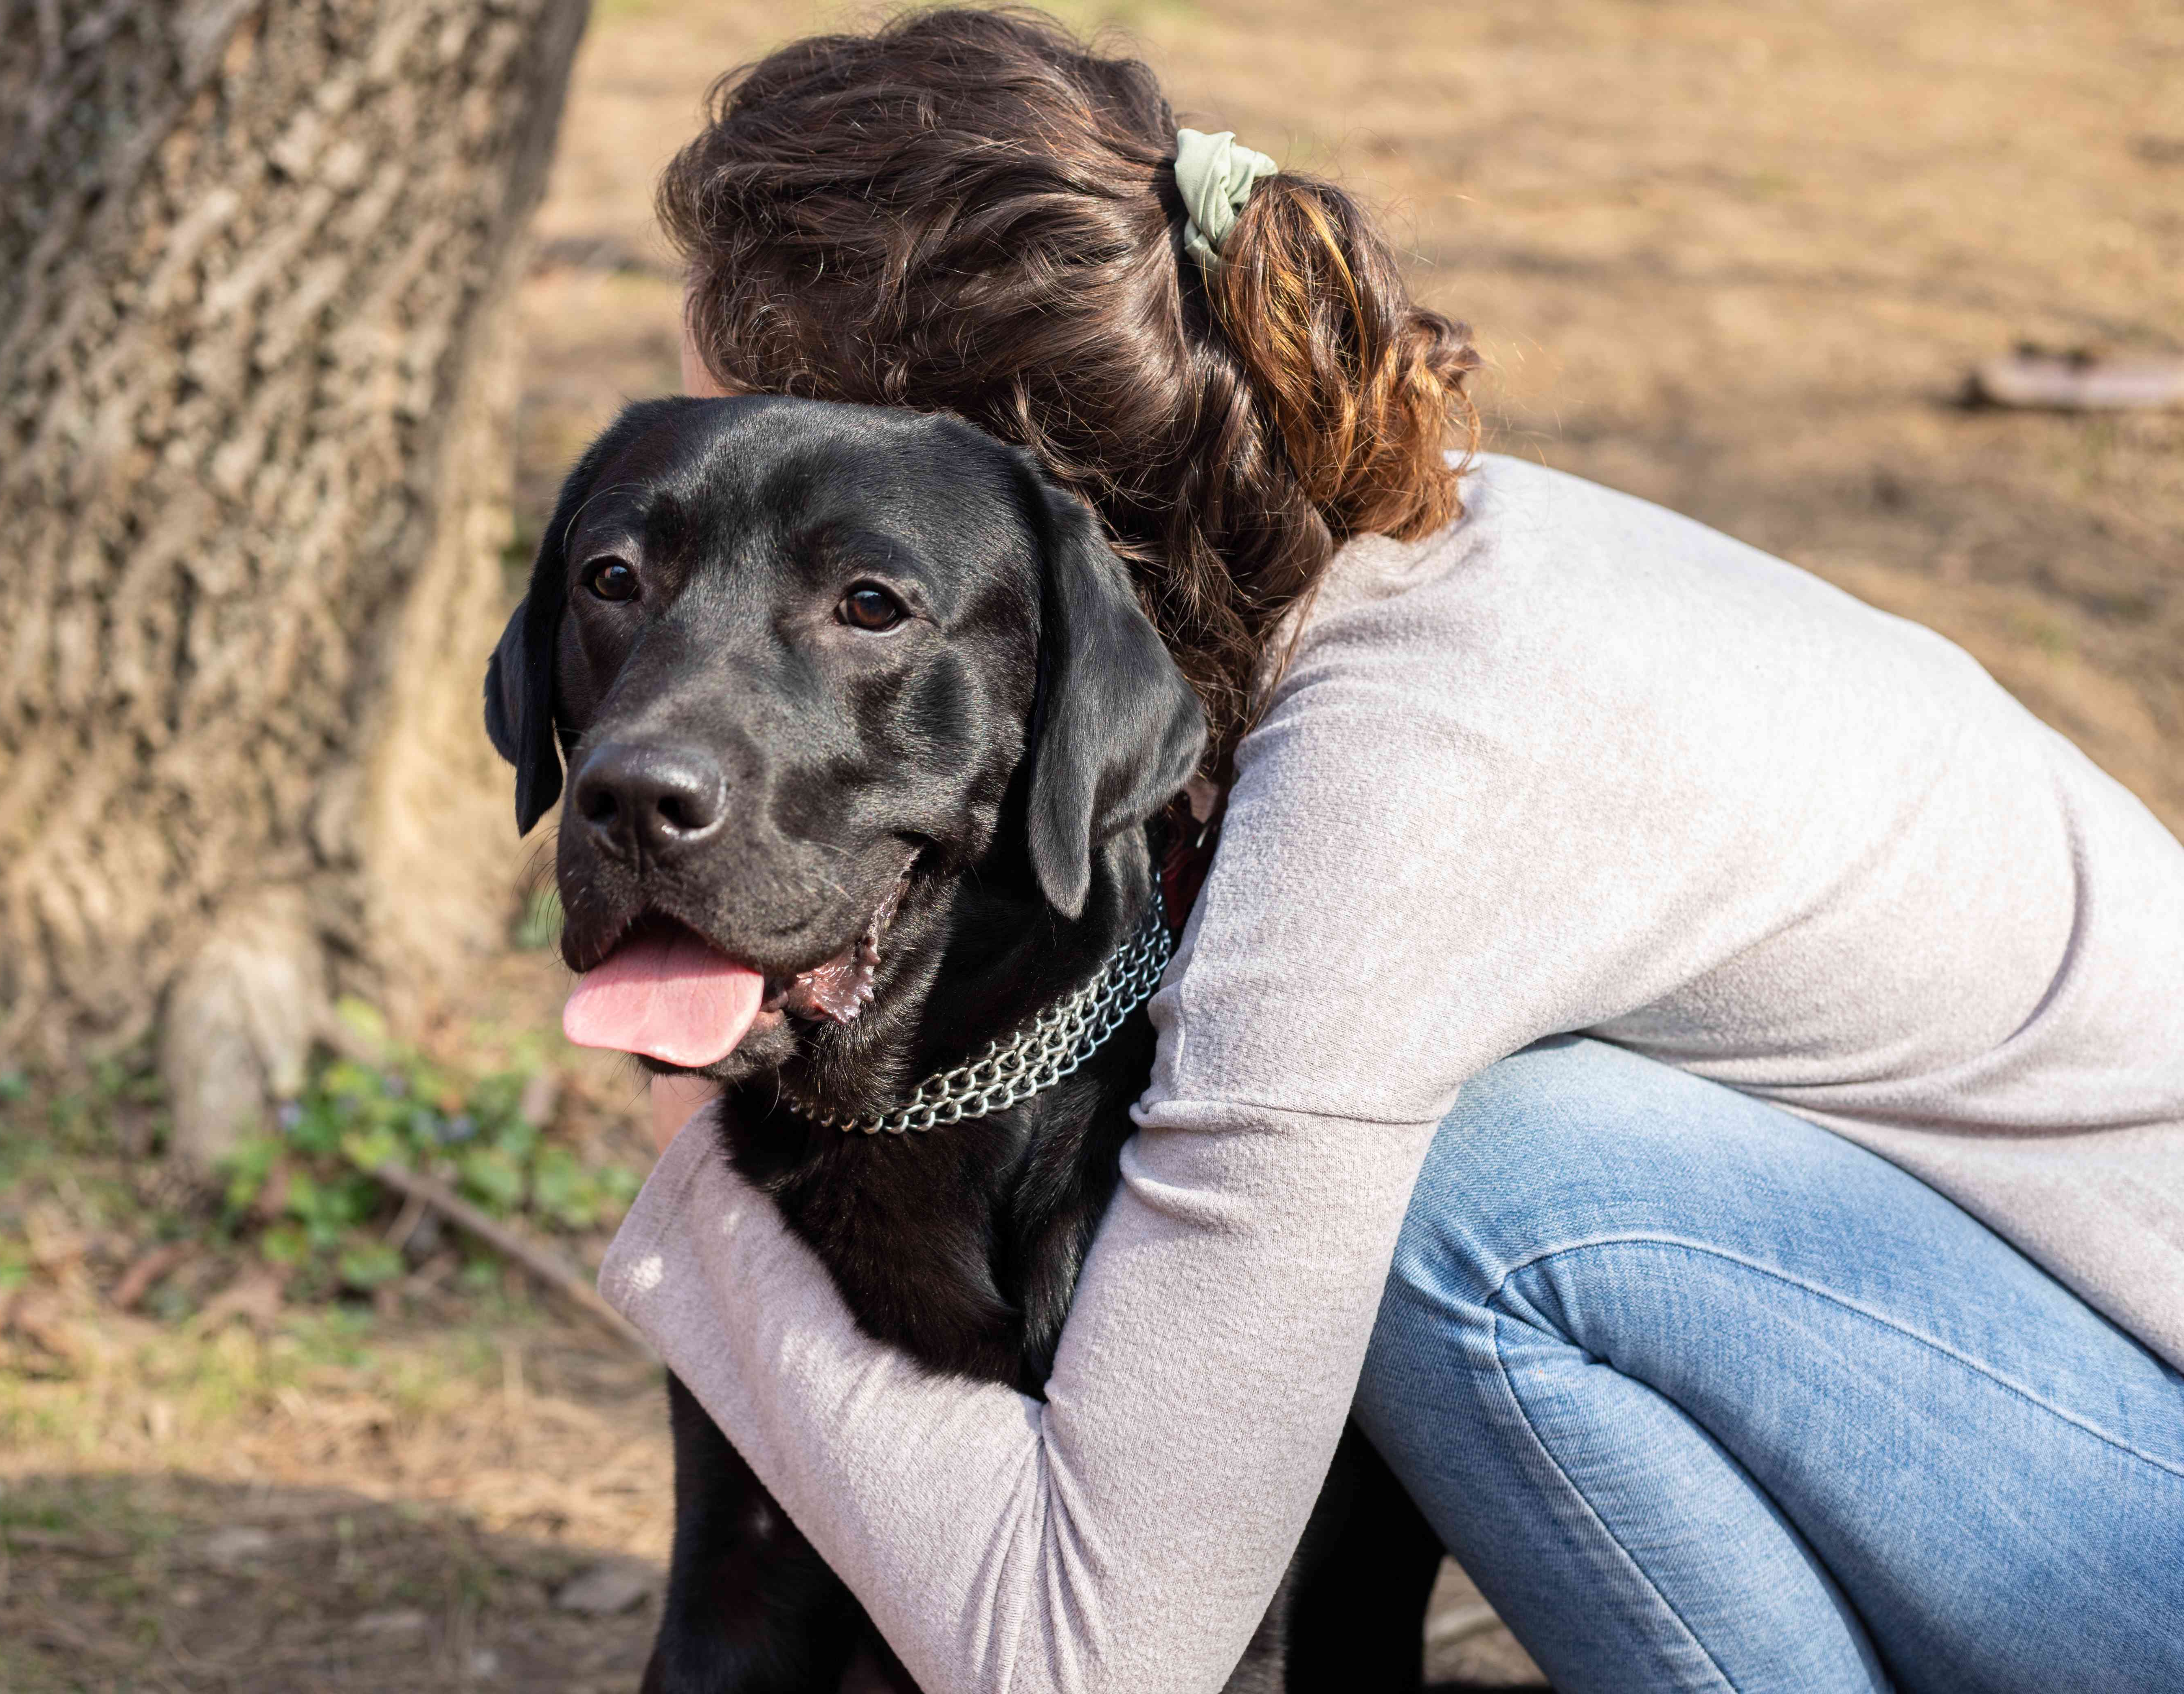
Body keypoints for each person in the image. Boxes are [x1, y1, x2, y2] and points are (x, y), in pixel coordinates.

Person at [590, 12, 2184, 1692]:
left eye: (807, 547)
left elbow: (1089, 1658)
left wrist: (708, 1169)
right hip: (2030, 1395)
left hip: (2132, 1510)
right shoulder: (1343, 561)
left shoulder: (1399, 790)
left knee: (1473, 1196)